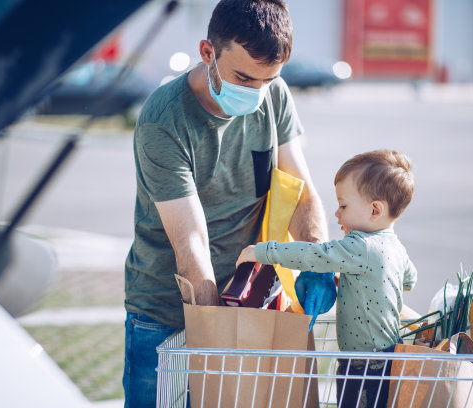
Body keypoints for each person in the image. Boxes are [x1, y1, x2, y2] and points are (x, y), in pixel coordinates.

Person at [122, 1, 336, 406]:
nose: (256, 92)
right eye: (243, 77)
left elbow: (301, 190)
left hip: (251, 301)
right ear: (208, 53)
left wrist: (317, 260)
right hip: (166, 315)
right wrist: (216, 333)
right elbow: (192, 246)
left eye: (267, 80)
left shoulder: (275, 95)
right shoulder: (163, 120)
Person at [237, 149, 418, 408]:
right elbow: (410, 280)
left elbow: (314, 254)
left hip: (363, 366)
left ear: (375, 210)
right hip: (387, 358)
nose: (336, 213)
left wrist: (264, 251)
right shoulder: (396, 248)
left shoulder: (360, 246)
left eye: (343, 206)